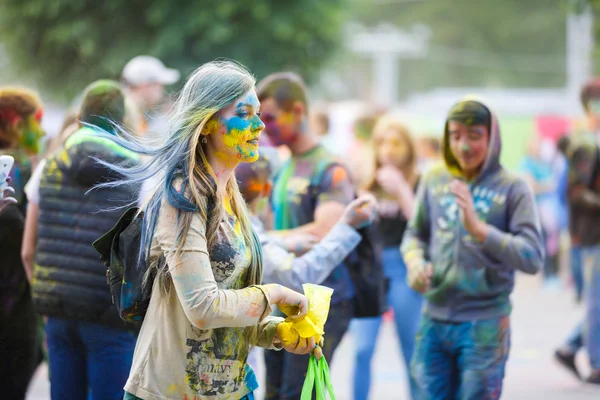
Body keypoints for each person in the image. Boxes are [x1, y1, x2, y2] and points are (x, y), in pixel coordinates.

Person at [95, 61, 318, 400]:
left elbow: (229, 311)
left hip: (231, 390)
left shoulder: (232, 198)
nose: (259, 125)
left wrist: (279, 332)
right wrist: (273, 294)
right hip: (170, 392)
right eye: (245, 113)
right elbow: (202, 308)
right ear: (209, 122)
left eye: (258, 113)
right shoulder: (183, 197)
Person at [401, 98, 543, 399]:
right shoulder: (434, 179)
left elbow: (533, 256)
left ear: (492, 138)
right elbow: (414, 235)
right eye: (456, 136)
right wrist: (415, 264)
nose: (464, 146)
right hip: (434, 321)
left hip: (485, 325)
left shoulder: (513, 188)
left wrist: (481, 231)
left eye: (474, 135)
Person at [31, 80, 141, 400]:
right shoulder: (138, 172)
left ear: (81, 117)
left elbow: (29, 250)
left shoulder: (50, 165)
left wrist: (46, 299)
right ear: (122, 121)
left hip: (58, 310)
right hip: (109, 312)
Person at [257, 72, 358, 400]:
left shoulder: (330, 169)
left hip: (321, 302)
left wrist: (260, 239)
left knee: (298, 394)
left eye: (270, 117)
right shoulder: (284, 165)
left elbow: (322, 233)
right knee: (273, 393)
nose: (263, 126)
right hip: (283, 299)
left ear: (298, 111)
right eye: (259, 118)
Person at [236, 150, 378, 378]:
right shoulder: (242, 228)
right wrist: (347, 227)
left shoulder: (222, 218)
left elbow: (258, 244)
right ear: (267, 191)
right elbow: (296, 274)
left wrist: (282, 241)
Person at [350, 116, 423, 400]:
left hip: (405, 270)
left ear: (409, 147)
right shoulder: (366, 180)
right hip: (370, 273)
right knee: (361, 349)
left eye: (396, 142)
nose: (389, 149)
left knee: (412, 350)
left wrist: (402, 191)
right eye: (382, 143)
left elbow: (425, 225)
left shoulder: (420, 181)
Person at [554, 78, 600, 384]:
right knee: (598, 299)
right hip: (592, 233)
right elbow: (574, 191)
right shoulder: (584, 144)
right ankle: (596, 361)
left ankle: (572, 346)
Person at [0, 87, 45, 399]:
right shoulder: (20, 169)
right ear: (16, 126)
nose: (41, 132)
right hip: (15, 307)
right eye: (36, 122)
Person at [519, 137, 561, 286]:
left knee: (552, 242)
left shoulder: (544, 163)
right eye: (534, 146)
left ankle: (552, 275)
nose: (537, 149)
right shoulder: (526, 163)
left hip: (551, 209)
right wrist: (548, 185)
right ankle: (547, 276)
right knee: (542, 241)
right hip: (537, 209)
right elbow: (531, 186)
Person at [121, 55, 180, 136]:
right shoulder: (126, 116)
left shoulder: (135, 114)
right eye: (160, 85)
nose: (162, 90)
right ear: (144, 86)